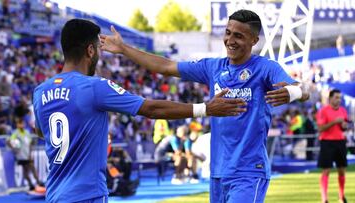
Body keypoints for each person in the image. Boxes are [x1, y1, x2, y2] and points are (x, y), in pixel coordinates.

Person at [100, 9, 310, 202]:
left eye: (239, 35)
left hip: (248, 172)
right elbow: (165, 66)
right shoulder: (213, 67)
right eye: (228, 33)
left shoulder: (265, 68)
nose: (230, 40)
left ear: (254, 40)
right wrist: (123, 49)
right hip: (217, 172)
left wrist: (292, 92)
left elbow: (301, 89)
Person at [32, 19, 247, 203]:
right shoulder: (94, 86)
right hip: (86, 194)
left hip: (55, 195)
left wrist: (86, 133)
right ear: (90, 50)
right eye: (98, 49)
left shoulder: (40, 92)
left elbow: (42, 131)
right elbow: (150, 108)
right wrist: (205, 109)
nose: (98, 54)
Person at [316, 89, 349, 203]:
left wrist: (344, 125)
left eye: (340, 98)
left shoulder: (343, 111)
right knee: (326, 171)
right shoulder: (323, 111)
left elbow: (344, 127)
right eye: (336, 97)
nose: (338, 100)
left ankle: (341, 196)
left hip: (340, 142)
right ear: (330, 98)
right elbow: (320, 128)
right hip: (327, 142)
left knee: (342, 171)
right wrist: (335, 122)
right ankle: (324, 199)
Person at [7, 117, 43, 191]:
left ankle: (37, 183)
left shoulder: (27, 132)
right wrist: (14, 148)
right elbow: (9, 141)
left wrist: (30, 153)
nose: (21, 125)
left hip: (27, 154)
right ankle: (33, 184)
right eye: (19, 124)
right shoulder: (15, 133)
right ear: (17, 125)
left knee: (31, 168)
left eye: (22, 123)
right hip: (20, 156)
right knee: (26, 169)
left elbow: (30, 144)